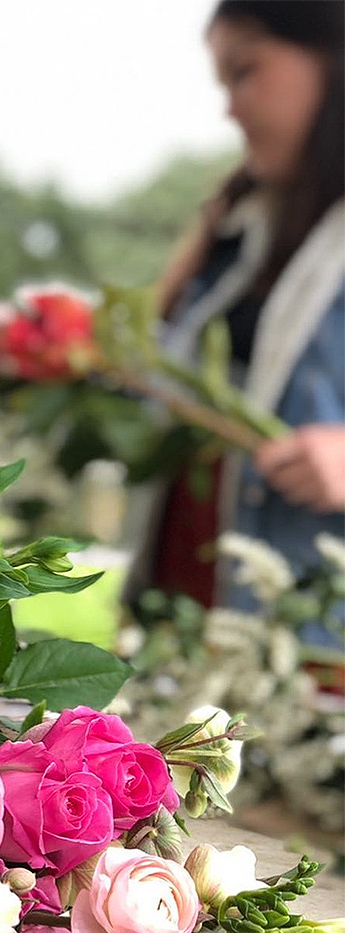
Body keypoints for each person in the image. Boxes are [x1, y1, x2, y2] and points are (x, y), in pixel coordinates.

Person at [152, 0, 344, 624]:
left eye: (245, 71)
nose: (230, 106)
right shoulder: (238, 228)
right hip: (191, 624)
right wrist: (43, 345)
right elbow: (151, 376)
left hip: (316, 646)